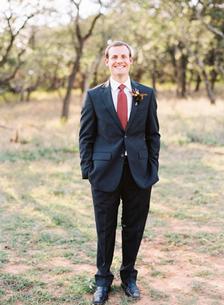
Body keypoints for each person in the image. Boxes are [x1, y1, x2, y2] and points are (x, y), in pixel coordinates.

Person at [79, 40, 160, 304]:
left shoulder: (146, 94)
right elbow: (86, 136)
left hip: (139, 173)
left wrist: (152, 167)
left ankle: (129, 277)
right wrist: (89, 170)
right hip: (104, 173)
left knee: (134, 228)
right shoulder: (94, 95)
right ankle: (102, 280)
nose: (119, 60)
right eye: (114, 57)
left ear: (131, 61)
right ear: (107, 61)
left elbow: (153, 134)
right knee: (105, 229)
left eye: (124, 56)